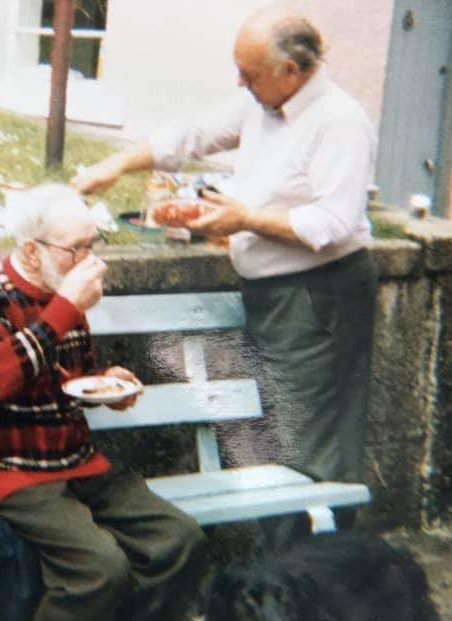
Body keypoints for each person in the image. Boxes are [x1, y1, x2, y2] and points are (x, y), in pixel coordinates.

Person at [72, 8, 378, 547]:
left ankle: (313, 566)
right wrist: (118, 164)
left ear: (292, 70)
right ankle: (290, 565)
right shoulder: (264, 102)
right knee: (276, 430)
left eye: (250, 73)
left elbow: (333, 223)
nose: (240, 83)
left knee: (306, 441)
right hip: (272, 293)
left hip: (319, 296)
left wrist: (244, 219)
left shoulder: (340, 123)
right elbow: (194, 135)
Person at [0, 183, 205, 621]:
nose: (87, 260)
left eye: (91, 245)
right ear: (31, 250)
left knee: (179, 539)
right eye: (74, 248)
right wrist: (63, 308)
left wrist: (108, 384)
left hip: (73, 461)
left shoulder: (64, 293)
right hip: (1, 467)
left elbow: (62, 376)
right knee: (99, 567)